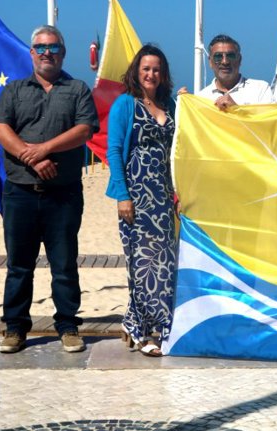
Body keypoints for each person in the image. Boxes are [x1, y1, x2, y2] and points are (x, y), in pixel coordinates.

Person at [0, 25, 99, 354]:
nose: (46, 53)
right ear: (31, 52)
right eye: (40, 47)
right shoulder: (14, 90)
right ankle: (15, 328)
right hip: (20, 193)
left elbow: (83, 130)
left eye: (53, 48)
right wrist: (31, 157)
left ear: (63, 53)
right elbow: (0, 129)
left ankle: (67, 325)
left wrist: (44, 148)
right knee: (19, 265)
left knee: (64, 263)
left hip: (62, 194)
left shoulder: (77, 89)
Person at [106, 44, 178, 358]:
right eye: (146, 68)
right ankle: (145, 331)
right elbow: (114, 151)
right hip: (136, 197)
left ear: (163, 75)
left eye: (157, 69)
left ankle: (144, 325)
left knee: (166, 265)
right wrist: (122, 196)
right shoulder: (125, 104)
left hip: (165, 197)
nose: (151, 74)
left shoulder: (172, 105)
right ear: (137, 71)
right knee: (142, 265)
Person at [178, 34, 271, 109]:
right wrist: (185, 104)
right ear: (210, 61)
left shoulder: (260, 90)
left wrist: (237, 109)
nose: (225, 61)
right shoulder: (200, 99)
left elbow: (270, 125)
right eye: (218, 56)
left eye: (230, 56)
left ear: (239, 60)